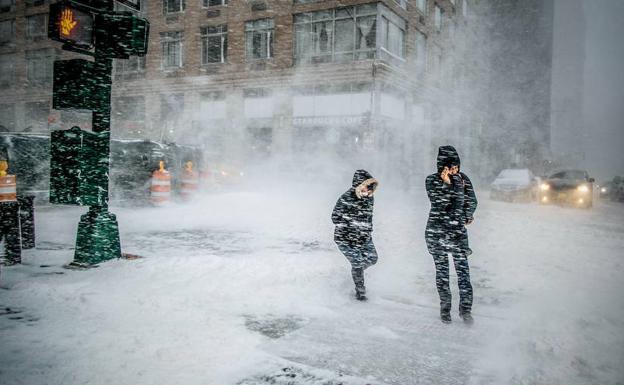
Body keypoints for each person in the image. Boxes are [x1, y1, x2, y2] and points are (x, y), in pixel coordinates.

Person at [425, 146, 477, 323]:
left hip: (457, 233)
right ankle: (445, 309)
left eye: (457, 167)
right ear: (443, 167)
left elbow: (472, 201)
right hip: (437, 232)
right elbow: (439, 203)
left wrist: (466, 215)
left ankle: (466, 310)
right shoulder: (432, 180)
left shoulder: (463, 179)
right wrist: (446, 184)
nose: (456, 170)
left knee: (463, 274)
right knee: (443, 274)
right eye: (452, 167)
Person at [332, 170, 379, 301]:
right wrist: (351, 223)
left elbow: (369, 217)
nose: (369, 192)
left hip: (364, 237)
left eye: (371, 189)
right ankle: (360, 291)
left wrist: (367, 231)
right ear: (358, 186)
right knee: (357, 262)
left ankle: (357, 271)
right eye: (366, 188)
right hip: (345, 239)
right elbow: (335, 218)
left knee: (372, 259)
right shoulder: (346, 198)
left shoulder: (369, 198)